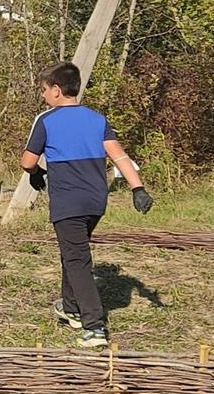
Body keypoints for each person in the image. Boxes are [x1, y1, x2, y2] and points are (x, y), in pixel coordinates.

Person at [21, 61, 154, 348]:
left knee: (77, 260)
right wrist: (138, 188)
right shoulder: (97, 119)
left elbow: (27, 161)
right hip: (96, 201)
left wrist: (36, 175)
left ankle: (93, 326)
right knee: (74, 252)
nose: (43, 95)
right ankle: (70, 307)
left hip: (68, 202)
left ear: (56, 91)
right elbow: (119, 156)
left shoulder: (46, 120)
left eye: (44, 90)